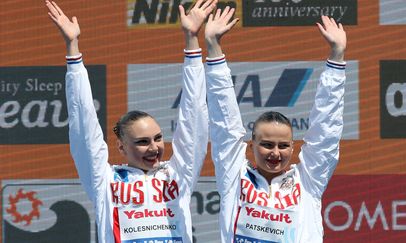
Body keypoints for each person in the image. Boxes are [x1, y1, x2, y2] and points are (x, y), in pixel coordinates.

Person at [45, 0, 215, 242]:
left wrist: (192, 40)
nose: (154, 147)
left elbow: (194, 118)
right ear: (122, 147)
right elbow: (84, 126)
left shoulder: (178, 174)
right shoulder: (105, 181)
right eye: (142, 142)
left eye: (157, 138)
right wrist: (73, 49)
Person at [206, 15, 347, 242]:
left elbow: (326, 131)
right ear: (251, 146)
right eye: (267, 145)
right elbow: (224, 121)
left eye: (283, 146)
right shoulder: (234, 176)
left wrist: (337, 57)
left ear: (292, 148)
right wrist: (213, 47)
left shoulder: (308, 181)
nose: (275, 153)